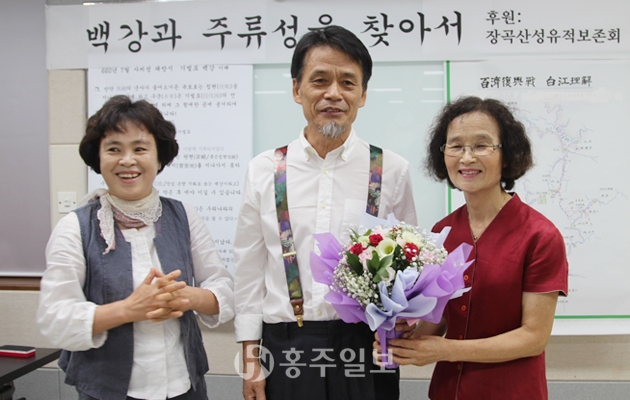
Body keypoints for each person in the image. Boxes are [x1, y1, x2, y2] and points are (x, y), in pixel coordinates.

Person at [233, 26, 417, 400]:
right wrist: (251, 359)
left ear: (362, 94)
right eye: (320, 81)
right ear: (297, 89)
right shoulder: (264, 170)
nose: (333, 93)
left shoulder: (391, 169)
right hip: (286, 344)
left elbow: (409, 266)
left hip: (365, 345)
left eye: (347, 82)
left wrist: (403, 322)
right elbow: (249, 270)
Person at [37, 95, 234, 400]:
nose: (127, 160)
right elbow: (54, 319)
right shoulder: (75, 227)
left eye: (140, 149)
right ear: (98, 159)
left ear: (159, 158)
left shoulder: (184, 216)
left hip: (185, 387)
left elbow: (223, 288)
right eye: (114, 149)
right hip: (108, 392)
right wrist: (128, 309)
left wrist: (188, 297)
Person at [374, 96, 569, 399]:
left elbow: (534, 337)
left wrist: (446, 350)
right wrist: (401, 339)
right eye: (455, 146)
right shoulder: (443, 231)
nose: (466, 157)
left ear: (508, 155)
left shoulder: (540, 236)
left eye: (481, 145)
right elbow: (439, 318)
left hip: (512, 392)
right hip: (448, 390)